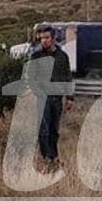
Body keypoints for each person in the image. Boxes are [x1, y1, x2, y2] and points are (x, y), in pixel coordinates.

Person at [26, 26, 75, 167]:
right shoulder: (36, 56)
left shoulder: (62, 56)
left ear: (53, 38)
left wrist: (70, 97)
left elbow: (67, 76)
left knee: (54, 129)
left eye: (47, 37)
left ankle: (54, 157)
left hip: (57, 97)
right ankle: (46, 157)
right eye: (42, 38)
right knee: (44, 130)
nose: (44, 40)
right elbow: (30, 77)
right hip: (43, 97)